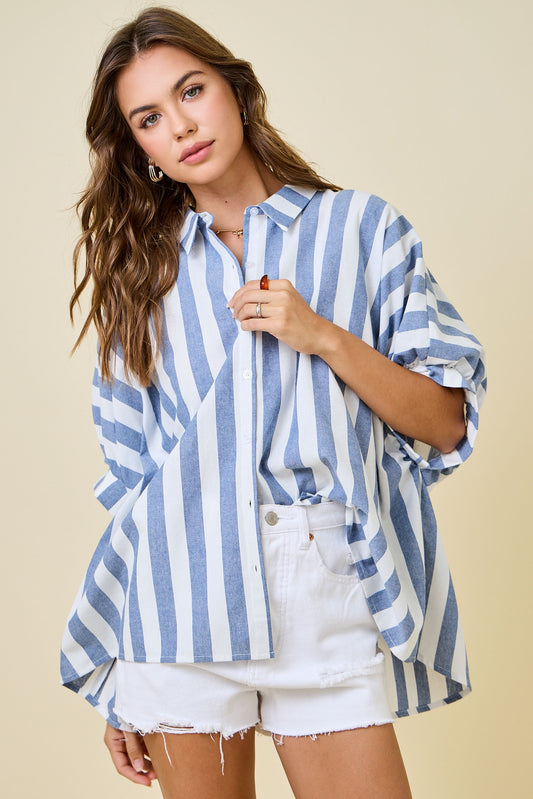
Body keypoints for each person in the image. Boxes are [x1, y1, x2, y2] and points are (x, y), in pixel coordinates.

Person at [60, 6, 486, 798]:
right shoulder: (138, 278)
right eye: (149, 117)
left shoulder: (361, 230)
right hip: (179, 591)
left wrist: (323, 335)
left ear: (236, 88)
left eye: (191, 90)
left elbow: (444, 421)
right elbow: (132, 482)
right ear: (139, 148)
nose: (180, 125)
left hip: (320, 581)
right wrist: (122, 665)